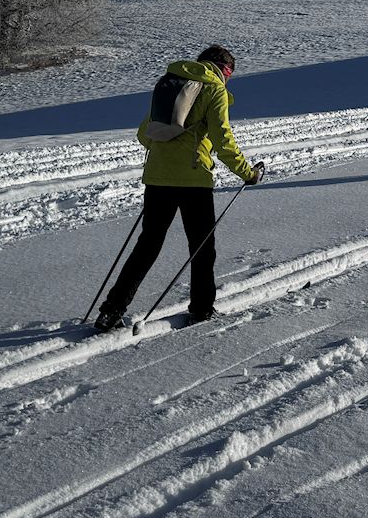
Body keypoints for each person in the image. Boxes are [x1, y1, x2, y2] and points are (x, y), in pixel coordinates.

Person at [95, 45, 264, 330]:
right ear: (224, 70)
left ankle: (111, 311)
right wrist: (248, 173)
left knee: (147, 246)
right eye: (229, 74)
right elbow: (223, 141)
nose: (228, 79)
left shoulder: (171, 83)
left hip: (157, 178)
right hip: (194, 181)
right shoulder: (214, 89)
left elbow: (144, 134)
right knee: (201, 248)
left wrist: (166, 155)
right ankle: (201, 309)